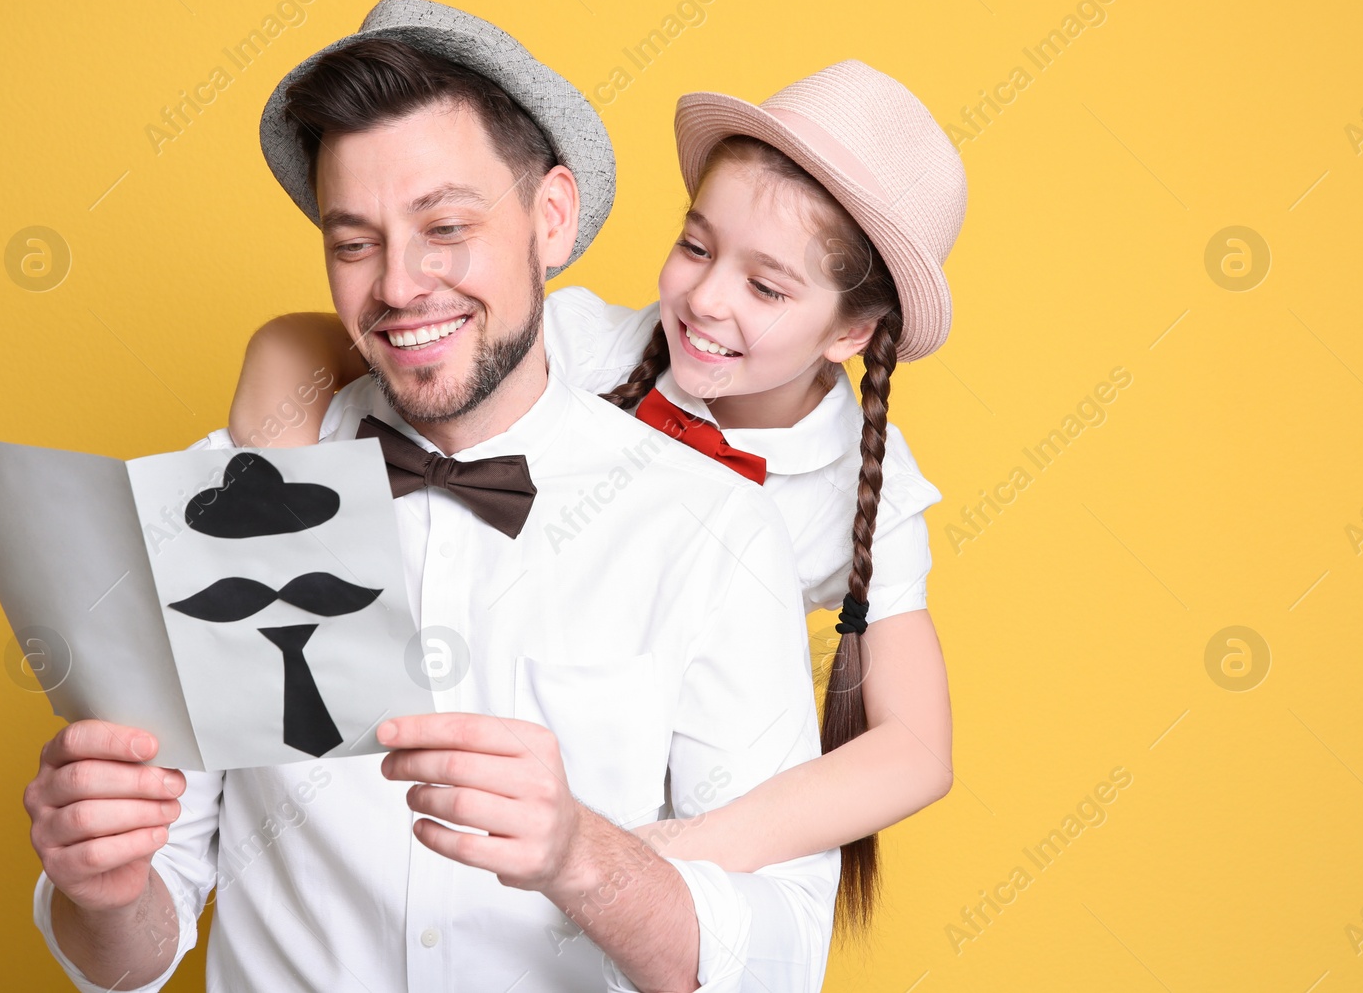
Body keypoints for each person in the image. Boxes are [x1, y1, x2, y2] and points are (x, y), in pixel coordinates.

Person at [20, 0, 838, 993]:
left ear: (551, 217)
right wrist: (102, 889)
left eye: (444, 226)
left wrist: (582, 853)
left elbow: (777, 964)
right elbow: (141, 942)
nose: (401, 286)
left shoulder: (711, 530)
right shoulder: (239, 487)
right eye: (354, 242)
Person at [226, 59, 966, 936]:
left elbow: (915, 748)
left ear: (850, 331)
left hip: (650, 812)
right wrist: (271, 500)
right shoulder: (575, 342)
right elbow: (303, 342)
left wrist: (660, 849)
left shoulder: (857, 489)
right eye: (696, 246)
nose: (706, 298)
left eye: (766, 287)